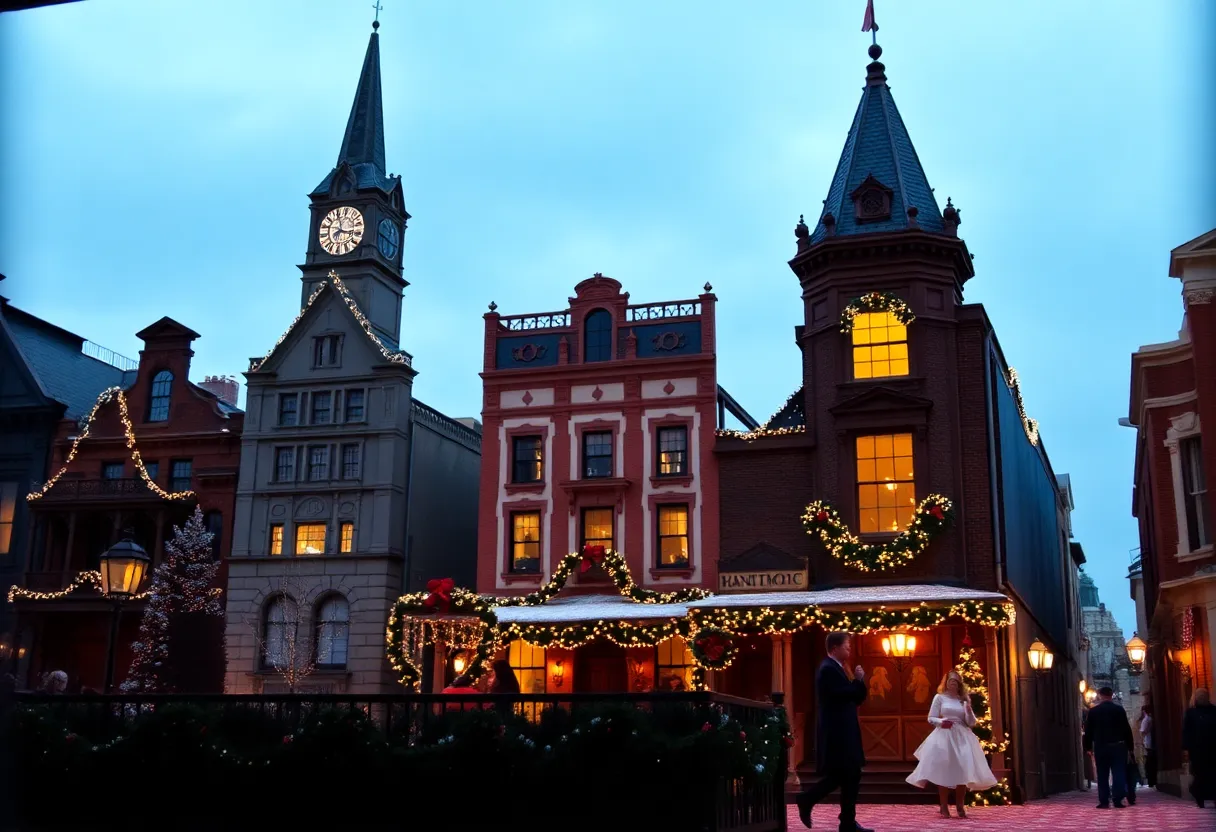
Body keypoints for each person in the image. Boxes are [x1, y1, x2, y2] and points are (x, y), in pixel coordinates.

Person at [795, 631, 873, 832]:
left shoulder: (838, 668)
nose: (850, 649)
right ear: (835, 648)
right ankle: (809, 800)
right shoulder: (828, 669)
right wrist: (857, 681)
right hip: (838, 733)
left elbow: (857, 697)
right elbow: (844, 694)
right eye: (847, 646)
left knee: (849, 775)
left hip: (845, 731)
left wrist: (858, 682)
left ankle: (846, 822)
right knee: (845, 775)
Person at [905, 670, 997, 818]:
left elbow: (971, 722)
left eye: (955, 681)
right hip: (945, 735)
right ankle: (943, 806)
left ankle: (960, 805)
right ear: (946, 683)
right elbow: (931, 717)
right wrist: (942, 722)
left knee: (963, 769)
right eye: (950, 681)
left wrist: (968, 711)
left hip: (962, 736)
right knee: (944, 769)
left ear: (959, 684)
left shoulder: (963, 699)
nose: (952, 684)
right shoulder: (940, 697)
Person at [1082, 686, 1134, 809]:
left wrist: (1088, 747)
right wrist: (1130, 747)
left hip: (1101, 746)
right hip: (1118, 746)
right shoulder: (1119, 710)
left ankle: (1104, 801)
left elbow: (1088, 731)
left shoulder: (1094, 711)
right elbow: (1127, 729)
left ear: (1100, 695)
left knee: (1102, 774)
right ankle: (1117, 799)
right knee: (1118, 772)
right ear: (1111, 695)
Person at [1182, 688, 1216, 808]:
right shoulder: (1191, 713)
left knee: (1213, 774)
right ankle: (1200, 797)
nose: (1202, 698)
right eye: (1199, 696)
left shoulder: (1214, 711)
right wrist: (1186, 748)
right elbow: (1186, 731)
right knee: (1199, 774)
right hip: (1197, 750)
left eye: (1203, 696)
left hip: (1212, 749)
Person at [1138, 703, 1156, 788]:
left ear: (1144, 711)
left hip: (1147, 743)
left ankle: (1150, 780)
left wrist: (1141, 741)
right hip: (1150, 743)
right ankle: (1152, 780)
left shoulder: (1146, 719)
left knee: (1148, 763)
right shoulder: (1151, 719)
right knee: (1150, 762)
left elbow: (1143, 732)